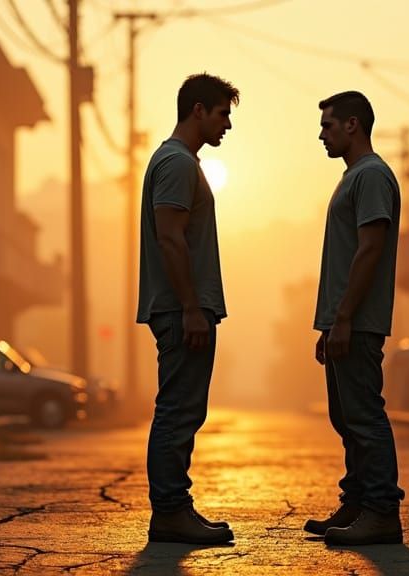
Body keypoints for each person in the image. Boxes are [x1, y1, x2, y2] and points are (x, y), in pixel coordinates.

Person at [136, 73, 239, 545]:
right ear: (197, 110)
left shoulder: (180, 162)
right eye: (223, 114)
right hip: (182, 313)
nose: (227, 125)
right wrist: (192, 309)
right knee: (177, 410)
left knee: (182, 410)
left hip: (184, 308)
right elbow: (170, 238)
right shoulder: (176, 163)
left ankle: (175, 509)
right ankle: (171, 512)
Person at [304, 90, 406, 546]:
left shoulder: (371, 176)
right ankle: (357, 503)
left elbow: (370, 249)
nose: (321, 134)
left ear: (351, 125)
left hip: (359, 322)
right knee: (346, 418)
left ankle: (382, 512)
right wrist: (330, 323)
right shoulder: (354, 177)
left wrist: (344, 318)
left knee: (364, 416)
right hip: (343, 320)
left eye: (327, 125)